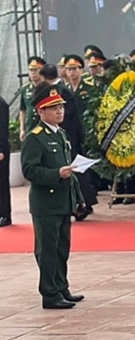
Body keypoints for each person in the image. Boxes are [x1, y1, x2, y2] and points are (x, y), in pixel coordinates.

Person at [21, 85, 85, 309]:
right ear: (41, 112)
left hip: (62, 201)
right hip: (45, 203)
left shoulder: (61, 134)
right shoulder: (35, 138)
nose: (60, 112)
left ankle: (61, 287)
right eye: (53, 108)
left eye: (61, 107)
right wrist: (55, 174)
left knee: (61, 248)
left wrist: (76, 198)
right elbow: (29, 170)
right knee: (47, 250)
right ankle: (49, 294)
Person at [0, 95, 10, 227]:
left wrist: (1, 148)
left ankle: (4, 214)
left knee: (1, 183)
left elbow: (2, 129)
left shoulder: (1, 103)